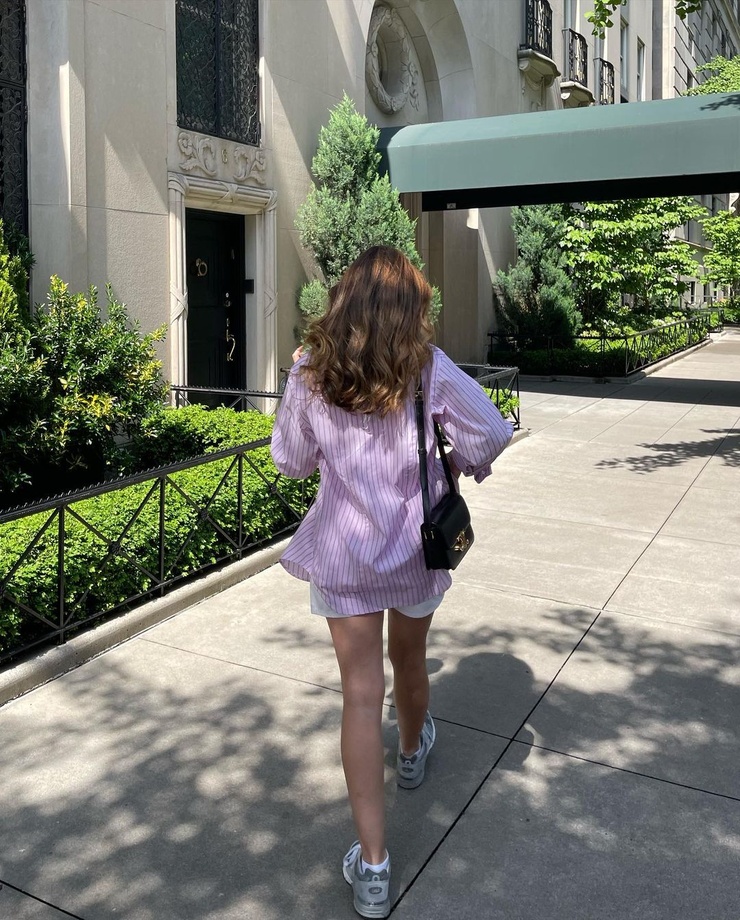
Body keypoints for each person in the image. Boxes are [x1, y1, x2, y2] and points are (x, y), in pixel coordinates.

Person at [271, 246, 513, 918]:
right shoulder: (425, 366)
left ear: (343, 299)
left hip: (344, 556)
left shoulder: (311, 371)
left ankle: (373, 870)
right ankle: (410, 752)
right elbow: (491, 432)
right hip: (415, 552)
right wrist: (452, 466)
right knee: (410, 657)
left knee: (358, 695)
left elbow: (291, 460)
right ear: (411, 308)